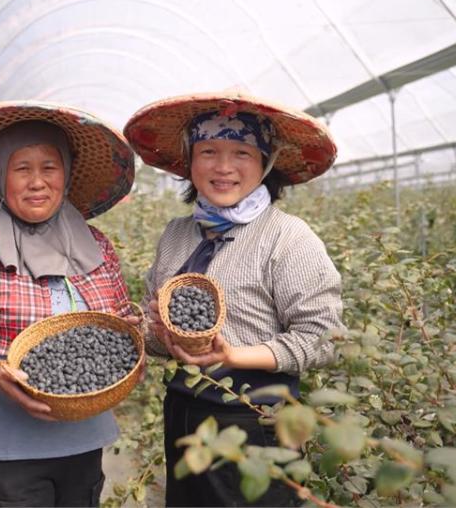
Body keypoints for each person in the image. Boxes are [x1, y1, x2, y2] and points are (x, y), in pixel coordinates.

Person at [123, 92, 346, 507]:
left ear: (265, 163)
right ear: (190, 161)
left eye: (241, 152)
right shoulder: (176, 234)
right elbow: (160, 342)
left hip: (255, 418)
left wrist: (235, 355)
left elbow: (325, 337)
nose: (223, 167)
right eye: (208, 151)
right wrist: (152, 328)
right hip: (185, 414)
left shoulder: (287, 237)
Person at [0, 102, 137, 507]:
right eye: (22, 168)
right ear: (1, 176)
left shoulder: (96, 247)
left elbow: (122, 325)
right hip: (7, 452)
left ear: (67, 174)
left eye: (49, 167)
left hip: (83, 439)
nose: (37, 182)